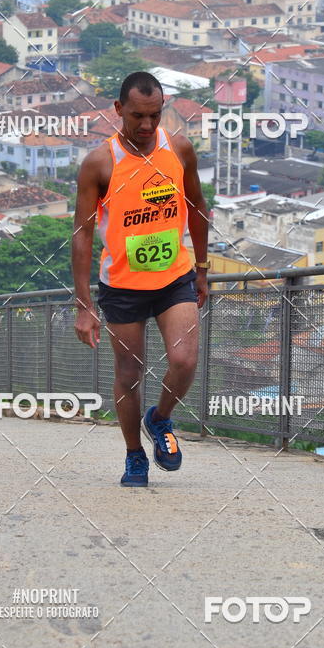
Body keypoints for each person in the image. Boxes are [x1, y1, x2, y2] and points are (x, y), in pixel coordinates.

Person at [72, 72, 209, 486]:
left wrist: (202, 270)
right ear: (118, 110)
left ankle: (160, 419)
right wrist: (84, 306)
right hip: (123, 287)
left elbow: (199, 207)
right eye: (137, 116)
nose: (147, 126)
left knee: (184, 361)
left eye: (155, 115)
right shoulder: (100, 163)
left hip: (174, 278)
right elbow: (81, 236)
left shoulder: (179, 148)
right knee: (129, 374)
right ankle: (134, 454)